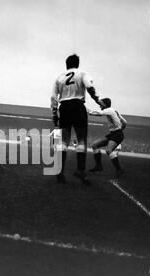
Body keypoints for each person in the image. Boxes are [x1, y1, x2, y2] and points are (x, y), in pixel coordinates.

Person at [51, 54, 105, 184]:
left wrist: (54, 113)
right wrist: (98, 100)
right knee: (81, 140)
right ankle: (80, 171)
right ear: (77, 63)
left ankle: (60, 171)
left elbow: (53, 97)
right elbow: (89, 87)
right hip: (77, 107)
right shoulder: (82, 73)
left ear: (67, 64)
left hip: (64, 108)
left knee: (64, 141)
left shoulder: (59, 77)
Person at [87, 98, 127, 178]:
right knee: (94, 146)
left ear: (105, 104)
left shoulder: (109, 110)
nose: (99, 105)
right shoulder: (114, 111)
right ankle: (99, 166)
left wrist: (87, 110)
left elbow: (97, 113)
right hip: (114, 134)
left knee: (109, 150)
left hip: (117, 135)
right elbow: (125, 122)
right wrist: (119, 129)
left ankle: (119, 170)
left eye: (101, 104)